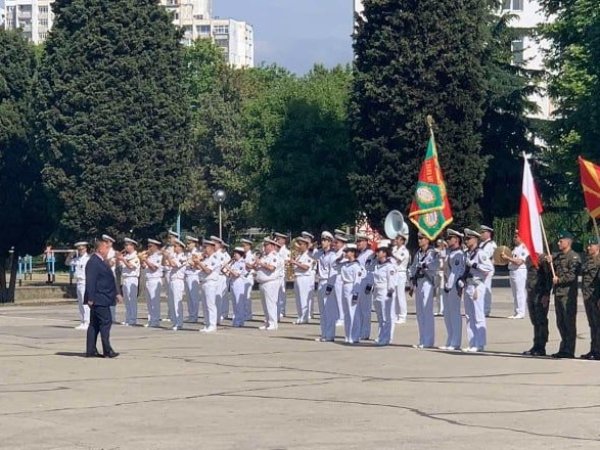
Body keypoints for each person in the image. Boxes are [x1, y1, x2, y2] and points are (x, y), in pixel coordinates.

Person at [547, 231, 581, 359]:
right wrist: (548, 259)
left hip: (568, 295)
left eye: (561, 241)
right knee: (560, 322)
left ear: (568, 242)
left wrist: (559, 280)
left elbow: (572, 275)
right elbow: (549, 259)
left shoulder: (574, 257)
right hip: (558, 294)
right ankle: (564, 347)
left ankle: (569, 350)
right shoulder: (559, 256)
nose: (558, 243)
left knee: (569, 322)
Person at [85, 237, 120, 358]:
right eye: (106, 247)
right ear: (100, 249)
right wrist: (90, 297)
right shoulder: (94, 261)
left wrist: (116, 293)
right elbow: (91, 280)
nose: (108, 249)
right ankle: (107, 350)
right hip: (99, 298)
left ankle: (91, 350)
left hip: (102, 297)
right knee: (106, 322)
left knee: (94, 324)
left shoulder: (100, 261)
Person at [462, 228, 494, 353]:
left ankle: (480, 343)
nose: (466, 241)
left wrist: (475, 265)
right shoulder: (467, 253)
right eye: (465, 238)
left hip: (477, 285)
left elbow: (489, 269)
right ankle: (472, 342)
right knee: (469, 316)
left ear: (475, 239)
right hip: (468, 285)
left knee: (478, 315)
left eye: (468, 238)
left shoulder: (480, 253)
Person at [409, 232, 440, 349]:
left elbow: (436, 265)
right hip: (419, 283)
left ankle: (429, 340)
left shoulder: (432, 253)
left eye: (422, 238)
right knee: (420, 312)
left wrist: (425, 265)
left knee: (427, 312)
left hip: (427, 282)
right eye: (418, 238)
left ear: (428, 239)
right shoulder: (418, 253)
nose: (420, 240)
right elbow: (412, 267)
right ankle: (422, 339)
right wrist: (411, 278)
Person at [440, 229, 465, 351]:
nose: (448, 240)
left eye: (450, 238)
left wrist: (449, 286)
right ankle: (450, 339)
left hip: (453, 286)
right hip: (446, 286)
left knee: (454, 314)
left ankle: (456, 342)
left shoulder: (458, 254)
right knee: (447, 314)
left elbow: (455, 273)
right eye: (447, 238)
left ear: (457, 239)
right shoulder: (450, 252)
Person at [523, 253, 553, 356]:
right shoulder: (528, 257)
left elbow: (548, 276)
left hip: (540, 294)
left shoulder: (542, 259)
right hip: (531, 292)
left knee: (541, 320)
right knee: (535, 320)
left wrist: (546, 293)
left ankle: (541, 346)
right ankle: (536, 345)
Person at [254, 238, 282, 331]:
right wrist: (256, 264)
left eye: (266, 245)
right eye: (264, 245)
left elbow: (271, 268)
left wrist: (261, 263)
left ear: (272, 246)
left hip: (271, 282)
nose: (264, 247)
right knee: (265, 304)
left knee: (271, 303)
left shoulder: (274, 256)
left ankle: (273, 323)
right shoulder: (265, 256)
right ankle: (267, 322)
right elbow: (259, 267)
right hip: (263, 282)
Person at [372, 241, 397, 346]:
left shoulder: (389, 266)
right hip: (377, 291)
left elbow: (391, 281)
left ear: (385, 253)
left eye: (379, 251)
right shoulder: (377, 265)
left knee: (386, 317)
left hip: (385, 292)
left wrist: (390, 293)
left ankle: (386, 338)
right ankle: (381, 336)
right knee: (380, 317)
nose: (377, 253)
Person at [315, 231, 337, 342]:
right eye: (322, 240)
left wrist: (330, 286)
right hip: (320, 282)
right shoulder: (320, 254)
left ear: (330, 242)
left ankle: (330, 334)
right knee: (322, 311)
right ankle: (324, 333)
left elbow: (333, 273)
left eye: (325, 240)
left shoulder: (332, 256)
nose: (322, 242)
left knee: (329, 310)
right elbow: (312, 254)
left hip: (328, 282)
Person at [580, 237, 600, 360]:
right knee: (593, 325)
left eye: (591, 245)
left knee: (598, 325)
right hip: (588, 298)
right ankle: (594, 349)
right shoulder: (588, 260)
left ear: (597, 246)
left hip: (596, 298)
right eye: (588, 246)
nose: (588, 248)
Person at [197, 240, 222, 333]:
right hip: (204, 282)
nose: (204, 249)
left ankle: (212, 325)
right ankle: (207, 324)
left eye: (205, 247)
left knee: (210, 304)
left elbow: (208, 271)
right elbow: (202, 269)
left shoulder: (214, 258)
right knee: (205, 305)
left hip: (210, 283)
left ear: (211, 247)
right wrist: (197, 262)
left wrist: (199, 263)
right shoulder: (207, 258)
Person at [341, 243, 364, 344]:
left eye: (347, 251)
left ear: (353, 253)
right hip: (345, 288)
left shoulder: (356, 266)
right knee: (347, 313)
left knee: (353, 313)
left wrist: (356, 293)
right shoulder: (345, 265)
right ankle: (348, 335)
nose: (345, 253)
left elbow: (357, 281)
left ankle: (355, 336)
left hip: (352, 288)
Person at [503, 231, 529, 319]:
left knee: (520, 292)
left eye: (516, 236)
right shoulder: (515, 248)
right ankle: (516, 311)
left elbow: (519, 262)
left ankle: (521, 312)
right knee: (515, 293)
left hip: (520, 271)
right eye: (514, 236)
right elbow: (512, 259)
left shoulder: (524, 248)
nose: (514, 238)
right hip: (513, 271)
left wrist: (507, 258)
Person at [163, 238, 187, 330]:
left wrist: (168, 257)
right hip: (172, 280)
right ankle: (174, 322)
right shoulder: (175, 256)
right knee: (172, 302)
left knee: (177, 302)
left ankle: (179, 323)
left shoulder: (182, 257)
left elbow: (174, 265)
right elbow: (165, 264)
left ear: (181, 247)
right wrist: (165, 257)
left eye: (176, 246)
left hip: (178, 280)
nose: (174, 248)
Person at [290, 237, 315, 324]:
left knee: (303, 298)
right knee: (298, 299)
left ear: (305, 245)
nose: (299, 246)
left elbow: (306, 267)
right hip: (298, 277)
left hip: (304, 277)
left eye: (300, 244)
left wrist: (295, 263)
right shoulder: (300, 255)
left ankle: (305, 317)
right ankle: (300, 316)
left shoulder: (309, 255)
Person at [117, 238, 140, 326]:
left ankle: (133, 319)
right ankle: (128, 318)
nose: (126, 247)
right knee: (126, 300)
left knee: (132, 299)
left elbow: (131, 266)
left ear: (132, 246)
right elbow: (121, 266)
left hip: (132, 278)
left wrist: (123, 260)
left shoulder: (135, 256)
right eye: (125, 245)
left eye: (127, 245)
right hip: (126, 278)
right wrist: (120, 258)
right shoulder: (126, 256)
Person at [356, 233, 375, 340]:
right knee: (358, 310)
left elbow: (371, 270)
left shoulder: (370, 254)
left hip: (365, 283)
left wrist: (369, 284)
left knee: (365, 310)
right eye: (357, 241)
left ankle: (365, 332)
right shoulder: (359, 254)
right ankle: (359, 331)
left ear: (366, 242)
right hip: (358, 283)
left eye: (360, 241)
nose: (358, 243)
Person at [141, 239, 163, 328]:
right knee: (149, 302)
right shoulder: (149, 256)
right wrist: (142, 260)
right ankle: (151, 320)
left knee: (154, 302)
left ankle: (155, 320)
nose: (148, 248)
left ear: (155, 246)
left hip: (155, 279)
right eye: (148, 246)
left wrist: (145, 260)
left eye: (150, 246)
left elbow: (154, 268)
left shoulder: (159, 256)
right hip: (148, 279)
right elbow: (144, 267)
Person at [226, 247, 250, 327]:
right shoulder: (234, 262)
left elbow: (237, 274)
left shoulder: (242, 263)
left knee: (238, 303)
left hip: (239, 283)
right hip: (233, 282)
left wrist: (228, 269)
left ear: (240, 254)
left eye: (236, 253)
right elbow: (231, 274)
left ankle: (239, 320)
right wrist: (227, 270)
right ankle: (237, 319)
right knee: (234, 303)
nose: (234, 255)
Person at [70, 241, 90, 330]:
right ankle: (82, 321)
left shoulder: (88, 258)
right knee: (80, 303)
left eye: (81, 249)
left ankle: (87, 322)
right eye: (78, 249)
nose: (80, 251)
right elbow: (67, 263)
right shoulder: (77, 259)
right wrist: (71, 255)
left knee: (85, 303)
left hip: (85, 282)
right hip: (78, 282)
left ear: (85, 248)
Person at [391, 232, 410, 324]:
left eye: (397, 239)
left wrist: (390, 253)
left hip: (401, 274)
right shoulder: (394, 249)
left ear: (402, 241)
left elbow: (398, 259)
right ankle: (395, 315)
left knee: (400, 295)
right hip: (393, 274)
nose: (395, 240)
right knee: (393, 295)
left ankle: (402, 316)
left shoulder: (404, 251)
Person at [479, 225, 497, 317]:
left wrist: (489, 268)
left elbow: (494, 257)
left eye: (483, 232)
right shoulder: (481, 244)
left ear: (488, 233)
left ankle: (486, 310)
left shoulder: (491, 244)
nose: (481, 234)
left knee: (486, 289)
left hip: (487, 269)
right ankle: (481, 308)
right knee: (481, 289)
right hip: (480, 269)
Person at [184, 236, 202, 323]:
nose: (187, 245)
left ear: (194, 243)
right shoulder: (187, 253)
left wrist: (192, 264)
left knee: (194, 297)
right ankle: (191, 315)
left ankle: (194, 316)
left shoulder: (198, 253)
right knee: (189, 297)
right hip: (187, 275)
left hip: (194, 276)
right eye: (187, 243)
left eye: (189, 243)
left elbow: (199, 266)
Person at [332, 234, 348, 327]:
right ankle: (340, 316)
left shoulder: (344, 252)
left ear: (342, 243)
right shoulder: (337, 252)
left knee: (341, 298)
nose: (335, 244)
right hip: (337, 276)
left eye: (337, 242)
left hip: (342, 277)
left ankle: (342, 318)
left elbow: (338, 262)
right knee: (338, 298)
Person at [102, 234, 118, 323]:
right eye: (104, 242)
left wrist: (105, 260)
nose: (105, 243)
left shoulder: (113, 252)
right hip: (103, 276)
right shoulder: (103, 252)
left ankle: (112, 317)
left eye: (107, 242)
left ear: (111, 243)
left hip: (110, 276)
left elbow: (111, 264)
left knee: (111, 297)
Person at [274, 232, 290, 319]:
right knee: (276, 294)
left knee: (281, 293)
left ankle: (282, 310)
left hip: (282, 274)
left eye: (278, 239)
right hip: (275, 275)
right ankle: (277, 310)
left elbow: (287, 262)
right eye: (276, 239)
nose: (277, 240)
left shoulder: (286, 251)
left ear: (283, 240)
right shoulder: (275, 250)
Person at [241, 238, 256, 321]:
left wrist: (244, 263)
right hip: (242, 277)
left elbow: (252, 266)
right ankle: (244, 313)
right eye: (242, 246)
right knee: (242, 297)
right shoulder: (243, 255)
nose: (243, 247)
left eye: (245, 246)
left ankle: (248, 314)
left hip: (248, 277)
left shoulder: (251, 256)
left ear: (249, 246)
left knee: (247, 297)